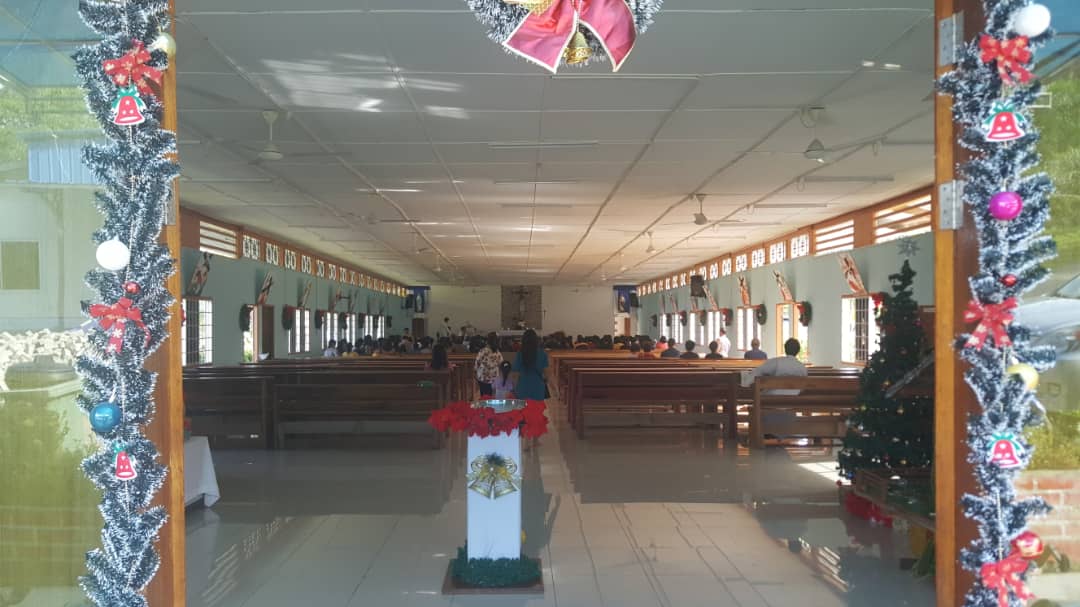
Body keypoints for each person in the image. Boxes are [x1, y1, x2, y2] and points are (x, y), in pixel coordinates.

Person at [511, 329, 549, 402]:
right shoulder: (542, 354)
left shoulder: (520, 354)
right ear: (536, 340)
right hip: (538, 387)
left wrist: (513, 388)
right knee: (537, 408)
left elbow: (515, 374)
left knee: (523, 408)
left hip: (523, 387)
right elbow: (547, 374)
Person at [475, 332, 504, 397]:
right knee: (492, 395)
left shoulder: (482, 351)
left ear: (487, 341)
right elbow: (501, 363)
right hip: (494, 377)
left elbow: (477, 362)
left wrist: (476, 370)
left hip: (483, 377)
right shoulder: (497, 352)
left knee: (483, 395)